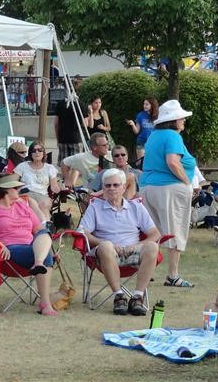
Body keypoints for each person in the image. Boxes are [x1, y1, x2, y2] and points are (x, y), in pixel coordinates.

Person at [79, 169, 162, 316]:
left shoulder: (136, 207)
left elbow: (155, 234)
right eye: (108, 185)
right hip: (106, 255)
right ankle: (119, 296)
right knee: (105, 246)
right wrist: (105, 242)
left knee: (152, 247)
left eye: (116, 185)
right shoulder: (95, 207)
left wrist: (137, 246)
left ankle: (137, 297)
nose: (111, 188)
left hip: (133, 251)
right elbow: (83, 232)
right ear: (103, 188)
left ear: (124, 187)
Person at [0, 175, 57, 316]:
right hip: (8, 252)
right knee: (46, 255)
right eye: (15, 187)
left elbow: (38, 230)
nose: (19, 189)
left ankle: (38, 263)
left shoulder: (21, 206)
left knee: (44, 233)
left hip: (33, 248)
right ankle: (45, 303)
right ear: (5, 190)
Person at [140, 99, 197, 288]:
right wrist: (187, 182)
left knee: (155, 231)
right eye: (182, 118)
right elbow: (173, 162)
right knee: (174, 231)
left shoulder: (154, 136)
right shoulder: (173, 136)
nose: (184, 121)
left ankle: (146, 269)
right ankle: (173, 275)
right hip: (169, 188)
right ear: (174, 120)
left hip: (149, 186)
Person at [15, 142, 61, 215]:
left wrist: (62, 189)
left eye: (39, 150)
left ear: (43, 153)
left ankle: (45, 225)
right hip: (25, 194)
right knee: (28, 205)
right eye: (34, 150)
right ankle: (43, 224)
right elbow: (13, 182)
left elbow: (54, 187)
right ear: (30, 153)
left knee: (43, 205)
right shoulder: (22, 166)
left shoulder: (50, 168)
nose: (37, 152)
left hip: (42, 195)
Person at [54, 78, 84, 160]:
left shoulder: (60, 104)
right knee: (76, 165)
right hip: (76, 138)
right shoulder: (80, 104)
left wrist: (58, 139)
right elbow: (85, 124)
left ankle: (66, 174)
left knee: (64, 163)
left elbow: (56, 124)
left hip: (63, 138)